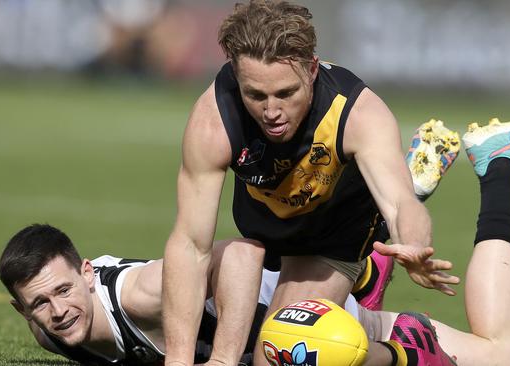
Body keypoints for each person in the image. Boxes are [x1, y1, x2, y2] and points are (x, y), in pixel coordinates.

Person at [0, 112, 510, 366]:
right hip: (303, 302)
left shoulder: (134, 295)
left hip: (311, 317)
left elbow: (241, 252)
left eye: (59, 292)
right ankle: (392, 206)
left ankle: (503, 166)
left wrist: (229, 357)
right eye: (39, 305)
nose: (57, 312)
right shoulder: (55, 330)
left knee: (504, 356)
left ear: (83, 271)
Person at [161, 2, 460, 364]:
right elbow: (191, 245)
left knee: (279, 354)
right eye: (255, 95)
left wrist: (412, 244)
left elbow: (400, 205)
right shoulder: (214, 118)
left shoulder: (357, 112)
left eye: (286, 93)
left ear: (312, 69)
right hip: (265, 224)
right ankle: (369, 273)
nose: (271, 112)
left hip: (331, 235)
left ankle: (408, 352)